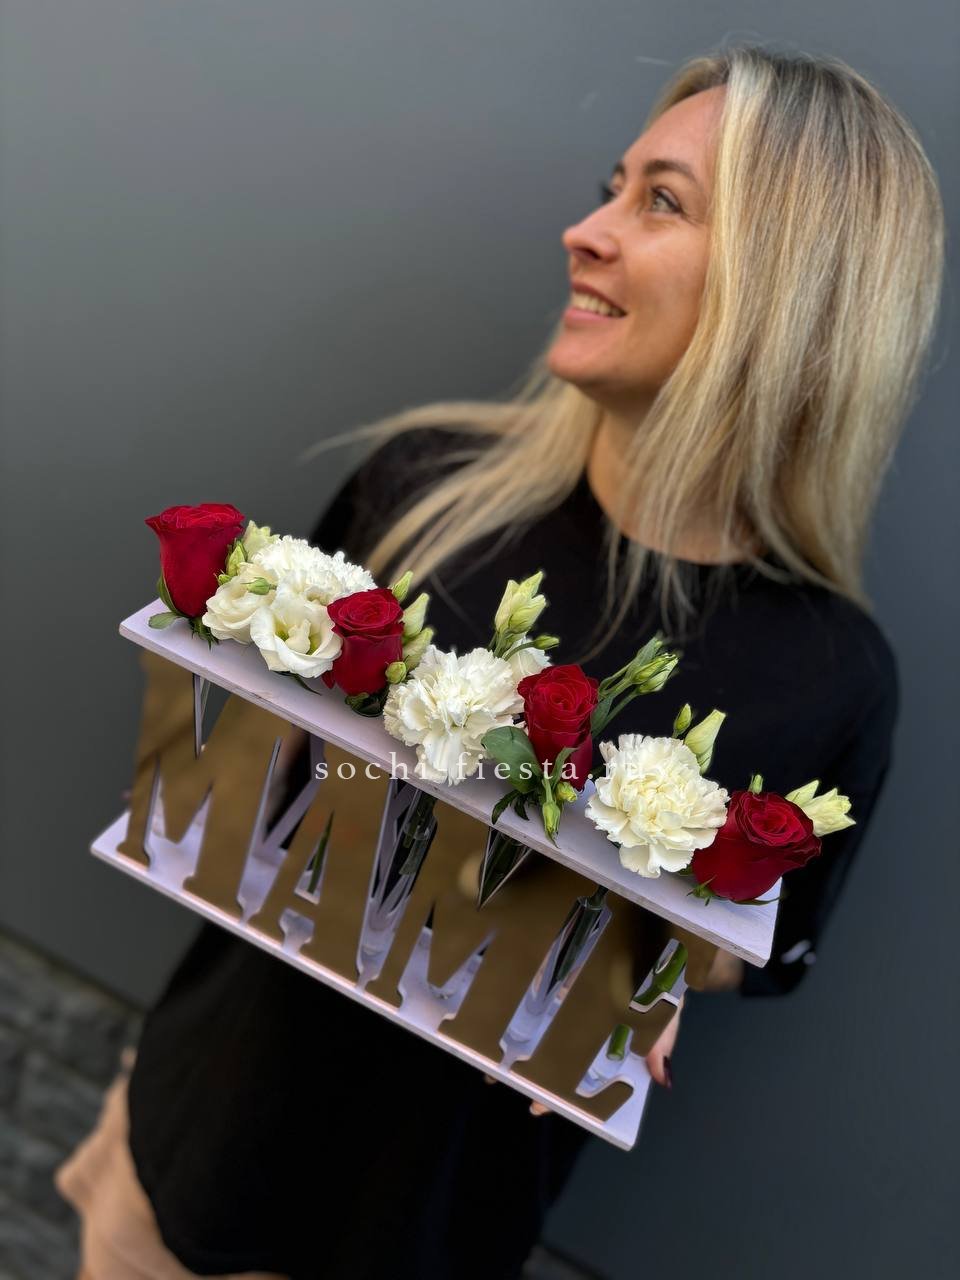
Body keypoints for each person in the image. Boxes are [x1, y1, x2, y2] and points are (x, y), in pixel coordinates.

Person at [56, 41, 943, 1280]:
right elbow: (260, 765)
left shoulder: (831, 679)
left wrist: (648, 954)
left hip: (424, 1235)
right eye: (610, 186)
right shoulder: (425, 491)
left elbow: (767, 950)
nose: (586, 231)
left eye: (661, 201)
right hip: (189, 1161)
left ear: (792, 285)